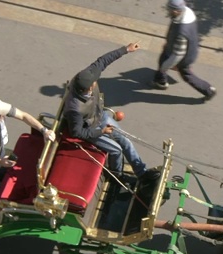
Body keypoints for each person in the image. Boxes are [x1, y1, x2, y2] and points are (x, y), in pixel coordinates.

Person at [62, 42, 161, 183]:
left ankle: (141, 172)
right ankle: (116, 177)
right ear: (89, 88)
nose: (96, 81)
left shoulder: (86, 75)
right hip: (91, 128)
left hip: (100, 116)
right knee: (116, 150)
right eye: (94, 82)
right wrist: (102, 132)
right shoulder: (75, 109)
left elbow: (103, 61)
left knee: (125, 141)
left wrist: (125, 49)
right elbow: (77, 133)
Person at [0, 96, 56, 221]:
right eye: (0, 115)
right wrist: (0, 161)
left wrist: (44, 130)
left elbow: (24, 116)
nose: (3, 116)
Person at [152, 0, 217, 102]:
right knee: (163, 59)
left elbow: (177, 55)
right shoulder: (187, 13)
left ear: (176, 11)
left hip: (183, 57)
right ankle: (160, 80)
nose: (168, 11)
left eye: (170, 10)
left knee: (185, 75)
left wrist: (165, 68)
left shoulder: (181, 32)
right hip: (188, 48)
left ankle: (208, 90)